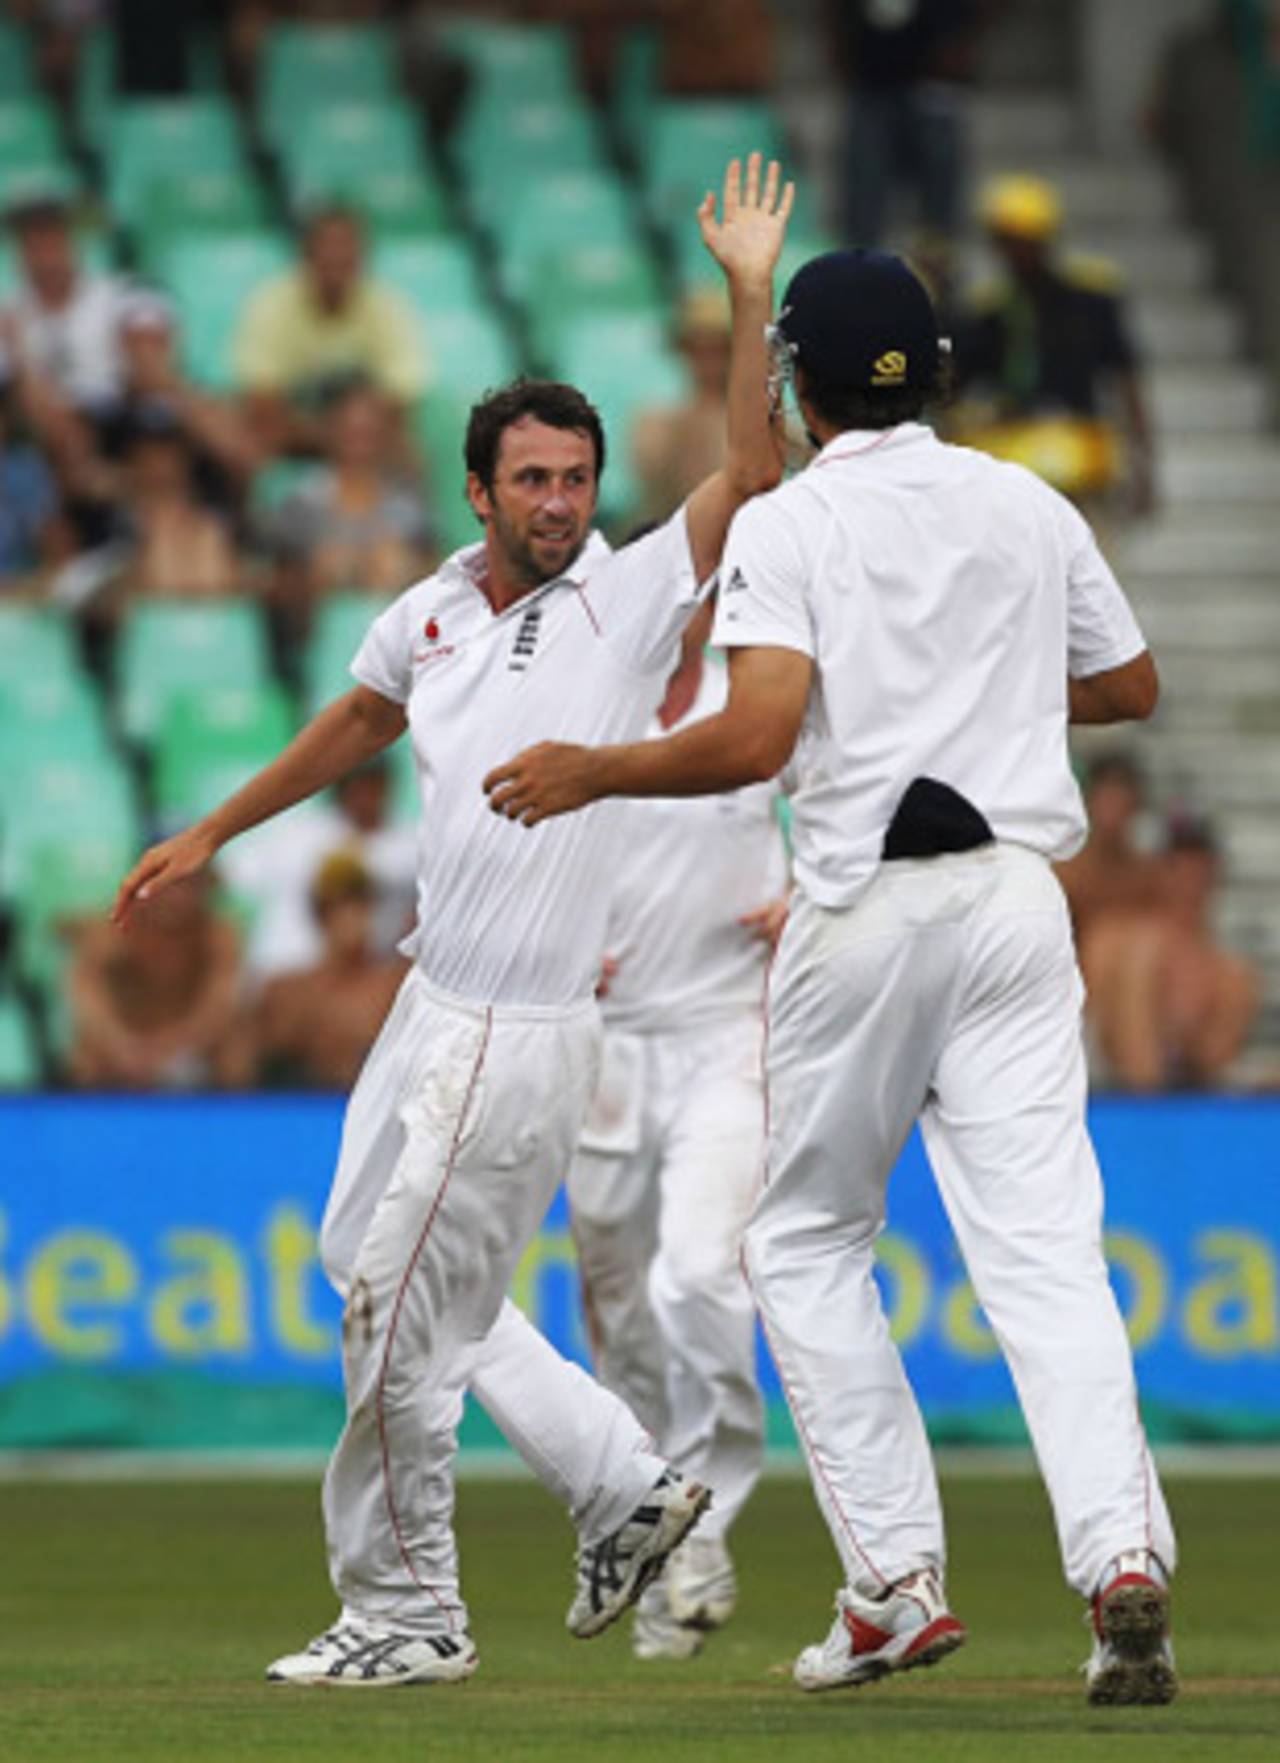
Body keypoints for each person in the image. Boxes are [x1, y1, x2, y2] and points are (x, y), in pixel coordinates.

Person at [112, 153, 793, 1687]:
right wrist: (215, 824)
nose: (561, 503)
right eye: (533, 480)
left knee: (398, 1321)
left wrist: (750, 291)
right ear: (480, 487)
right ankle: (627, 1486)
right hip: (435, 1000)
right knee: (375, 1257)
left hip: (522, 1028)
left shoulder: (628, 602)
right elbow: (355, 723)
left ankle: (409, 1611)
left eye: (578, 477)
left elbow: (749, 471)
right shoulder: (431, 607)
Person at [484, 247, 1178, 1706]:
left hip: (866, 907)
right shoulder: (1025, 500)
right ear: (935, 373)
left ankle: (894, 1584)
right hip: (1013, 903)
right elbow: (1128, 686)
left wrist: (592, 766)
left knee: (802, 1248)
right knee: (1047, 1254)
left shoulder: (792, 526)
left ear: (794, 386)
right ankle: (1122, 1557)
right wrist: (974, 688)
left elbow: (754, 739)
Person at [566, 598, 788, 1661]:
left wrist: (814, 893)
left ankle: (706, 1527)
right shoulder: (575, 710)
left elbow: (866, 810)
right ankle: (659, 1534)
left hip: (726, 1037)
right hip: (604, 1049)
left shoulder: (755, 708)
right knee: (622, 1319)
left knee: (698, 1275)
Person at [952, 174, 1157, 516]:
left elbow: (1126, 378)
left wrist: (1143, 464)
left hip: (1081, 454)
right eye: (1007, 241)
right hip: (1011, 455)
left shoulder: (1091, 299)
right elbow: (953, 390)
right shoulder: (986, 312)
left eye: (1025, 241)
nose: (1017, 253)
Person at [233, 204, 426, 459]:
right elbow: (260, 398)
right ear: (306, 255)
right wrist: (328, 435)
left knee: (408, 449)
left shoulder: (387, 305)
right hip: (291, 436)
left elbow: (400, 397)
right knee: (246, 442)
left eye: (346, 248)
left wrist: (354, 430)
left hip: (365, 435)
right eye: (327, 247)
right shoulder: (270, 303)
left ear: (363, 256)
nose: (336, 257)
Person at [1083, 815, 1259, 1092]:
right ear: (1160, 870)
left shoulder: (1229, 974)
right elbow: (1089, 1028)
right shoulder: (1112, 939)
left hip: (1181, 1102)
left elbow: (1215, 1061)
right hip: (1108, 1094)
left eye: (1198, 867)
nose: (1188, 877)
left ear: (1213, 873)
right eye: (1178, 865)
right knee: (1139, 954)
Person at [220, 755, 418, 983]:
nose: (366, 793)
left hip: (360, 981)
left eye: (374, 782)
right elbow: (229, 876)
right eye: (358, 783)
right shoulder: (295, 835)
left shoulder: (411, 846)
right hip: (283, 967)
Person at [267, 378, 435, 646]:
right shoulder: (301, 501)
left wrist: (405, 573)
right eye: (350, 430)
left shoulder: (407, 503)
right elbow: (278, 587)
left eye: (368, 431)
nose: (360, 442)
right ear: (328, 430)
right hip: (319, 641)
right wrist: (318, 581)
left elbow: (433, 577)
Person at [68, 871, 248, 1089]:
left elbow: (220, 1005)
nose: (176, 896)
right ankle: (92, 1119)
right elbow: (87, 997)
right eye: (166, 885)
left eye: (186, 885)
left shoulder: (218, 934)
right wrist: (119, 1044)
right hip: (125, 1042)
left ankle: (230, 1119)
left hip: (191, 1044)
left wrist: (170, 1046)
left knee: (236, 1045)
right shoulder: (112, 928)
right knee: (86, 1052)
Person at [250, 850, 408, 1090]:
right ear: (320, 914)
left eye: (361, 904)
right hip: (303, 1112)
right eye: (341, 906)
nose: (353, 916)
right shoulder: (287, 989)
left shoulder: (394, 985)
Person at [631, 288, 730, 525]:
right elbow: (656, 488)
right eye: (700, 349)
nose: (710, 361)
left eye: (720, 349)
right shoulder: (657, 422)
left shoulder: (768, 422)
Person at [1056, 750, 1162, 951]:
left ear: (1135, 805)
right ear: (1089, 802)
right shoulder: (1068, 877)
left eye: (1121, 800)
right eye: (1107, 799)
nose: (1113, 811)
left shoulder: (1150, 879)